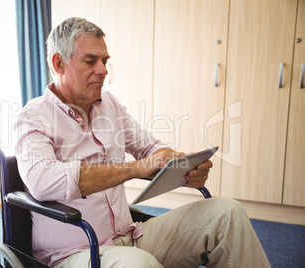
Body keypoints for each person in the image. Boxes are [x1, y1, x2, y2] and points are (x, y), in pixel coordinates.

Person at [14, 17, 270, 268]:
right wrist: (136, 168)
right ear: (59, 64)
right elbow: (42, 181)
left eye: (105, 61)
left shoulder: (110, 105)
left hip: (131, 237)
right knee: (138, 264)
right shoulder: (34, 116)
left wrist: (181, 166)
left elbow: (150, 148)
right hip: (74, 255)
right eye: (91, 60)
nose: (103, 69)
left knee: (227, 213)